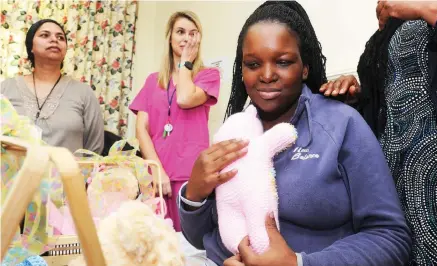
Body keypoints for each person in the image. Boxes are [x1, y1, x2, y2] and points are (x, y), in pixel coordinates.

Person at [178, 1, 411, 266]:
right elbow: (201, 238)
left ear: (305, 67)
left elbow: (391, 238)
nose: (266, 75)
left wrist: (298, 263)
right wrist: (194, 195)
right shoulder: (235, 128)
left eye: (283, 62)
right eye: (253, 64)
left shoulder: (341, 124)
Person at [320, 1, 437, 265]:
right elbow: (385, 108)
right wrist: (356, 97)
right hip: (398, 195)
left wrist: (428, 8)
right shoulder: (383, 33)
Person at [129, 11, 220, 231]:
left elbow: (184, 98)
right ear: (170, 37)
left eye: (192, 33)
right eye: (180, 32)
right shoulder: (153, 80)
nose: (186, 39)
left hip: (190, 175)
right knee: (155, 244)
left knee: (186, 247)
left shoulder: (209, 75)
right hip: (156, 174)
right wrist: (156, 169)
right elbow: (141, 129)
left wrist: (186, 65)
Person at [1, 19, 104, 153]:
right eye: (45, 35)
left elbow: (94, 149)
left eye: (60, 37)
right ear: (31, 46)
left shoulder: (83, 93)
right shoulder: (6, 88)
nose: (54, 40)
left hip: (68, 173)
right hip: (15, 173)